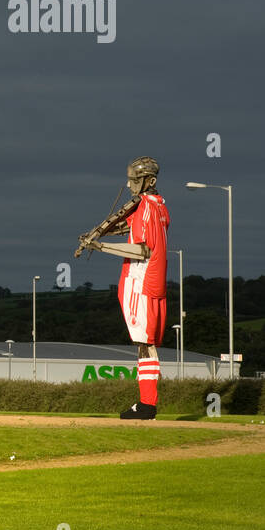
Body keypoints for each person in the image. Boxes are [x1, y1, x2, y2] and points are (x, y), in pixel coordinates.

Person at [78, 157, 169, 419]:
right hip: (155, 280)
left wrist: (100, 245)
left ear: (148, 181)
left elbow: (142, 249)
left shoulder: (145, 208)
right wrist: (108, 231)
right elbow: (132, 228)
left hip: (140, 281)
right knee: (146, 344)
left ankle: (146, 404)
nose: (130, 186)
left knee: (144, 344)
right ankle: (147, 403)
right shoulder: (160, 207)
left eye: (135, 181)